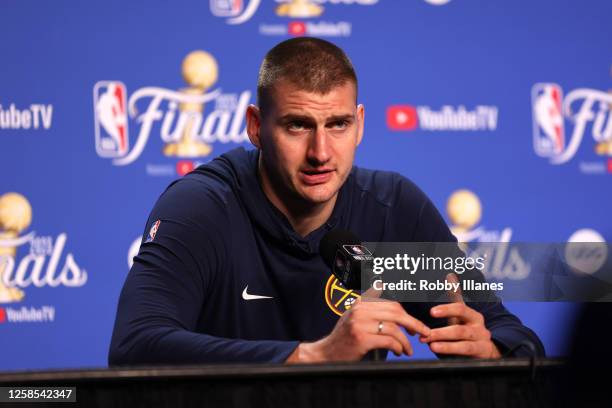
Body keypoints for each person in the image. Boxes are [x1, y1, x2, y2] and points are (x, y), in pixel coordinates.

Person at [109, 37, 544, 365]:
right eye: (298, 126)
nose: (320, 152)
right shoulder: (204, 208)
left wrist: (494, 350)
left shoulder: (391, 211)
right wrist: (314, 356)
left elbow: (510, 331)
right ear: (256, 127)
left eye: (337, 125)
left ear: (359, 126)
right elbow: (134, 345)